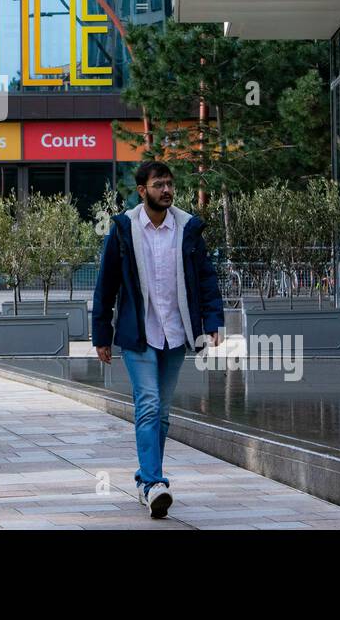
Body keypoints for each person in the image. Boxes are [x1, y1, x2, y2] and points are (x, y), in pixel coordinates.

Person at [92, 160, 224, 520]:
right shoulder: (123, 229)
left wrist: (212, 321)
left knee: (162, 413)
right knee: (148, 404)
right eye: (158, 184)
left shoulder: (187, 229)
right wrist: (101, 334)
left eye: (169, 184)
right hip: (140, 334)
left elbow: (206, 279)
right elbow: (106, 285)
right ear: (141, 191)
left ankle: (144, 479)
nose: (166, 190)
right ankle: (154, 484)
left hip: (176, 332)